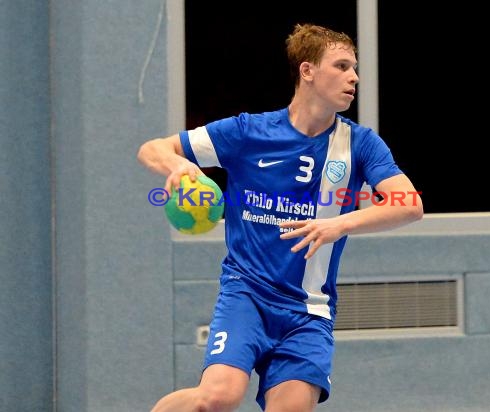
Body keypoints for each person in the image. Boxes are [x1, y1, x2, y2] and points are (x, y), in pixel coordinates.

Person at [138, 23, 423, 412]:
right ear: (307, 71)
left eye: (354, 68)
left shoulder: (361, 144)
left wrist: (339, 223)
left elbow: (409, 204)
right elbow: (153, 148)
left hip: (309, 309)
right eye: (341, 66)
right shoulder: (247, 132)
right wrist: (177, 165)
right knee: (217, 397)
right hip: (246, 295)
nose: (353, 77)